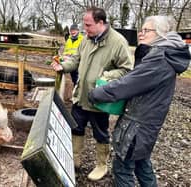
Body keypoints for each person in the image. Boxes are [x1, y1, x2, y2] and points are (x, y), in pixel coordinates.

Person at [88, 15, 191, 186]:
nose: (141, 34)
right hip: (148, 124)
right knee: (142, 164)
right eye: (140, 30)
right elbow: (137, 80)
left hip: (137, 126)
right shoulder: (165, 54)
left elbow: (128, 84)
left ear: (161, 33)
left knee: (122, 169)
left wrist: (96, 94)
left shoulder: (159, 59)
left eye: (147, 30)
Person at [51, 7, 134, 181]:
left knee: (101, 132)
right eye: (84, 25)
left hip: (100, 99)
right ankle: (75, 160)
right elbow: (75, 59)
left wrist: (104, 77)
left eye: (88, 25)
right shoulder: (86, 40)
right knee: (76, 127)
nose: (85, 28)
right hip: (80, 96)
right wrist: (63, 66)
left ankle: (101, 165)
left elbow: (127, 70)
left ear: (101, 23)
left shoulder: (118, 42)